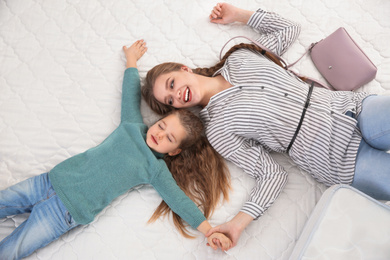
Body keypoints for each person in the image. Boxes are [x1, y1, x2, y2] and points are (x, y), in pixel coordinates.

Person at [141, 2, 390, 249]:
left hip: (352, 109)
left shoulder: (240, 58)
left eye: (172, 84)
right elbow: (271, 175)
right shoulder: (218, 130)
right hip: (337, 158)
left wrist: (239, 15)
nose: (177, 95)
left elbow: (289, 29)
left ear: (184, 69)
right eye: (170, 101)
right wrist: (237, 225)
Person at [0, 40, 232, 260]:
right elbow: (130, 94)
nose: (159, 134)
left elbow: (179, 201)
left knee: (10, 251)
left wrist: (209, 230)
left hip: (64, 214)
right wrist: (131, 60)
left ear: (174, 151)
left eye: (169, 138)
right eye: (161, 125)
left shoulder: (155, 170)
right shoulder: (131, 125)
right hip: (48, 182)